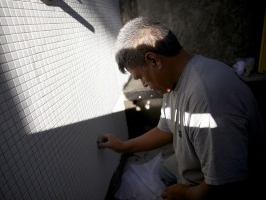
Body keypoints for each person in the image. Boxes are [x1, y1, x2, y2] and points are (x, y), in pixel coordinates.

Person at [98, 17, 266, 200]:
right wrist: (123, 146)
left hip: (212, 187)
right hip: (191, 168)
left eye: (141, 77)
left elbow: (226, 184)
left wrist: (185, 193)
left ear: (154, 60)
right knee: (154, 175)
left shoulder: (207, 98)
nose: (144, 84)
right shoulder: (173, 82)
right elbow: (166, 130)